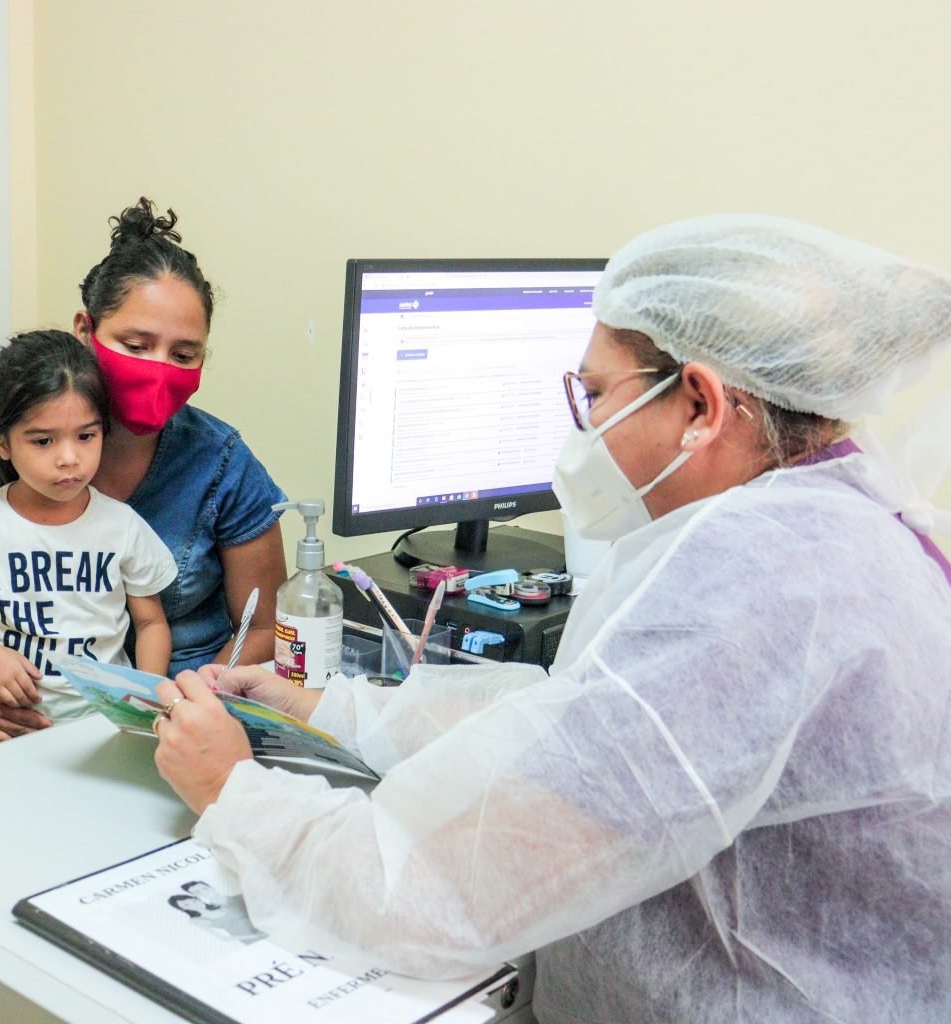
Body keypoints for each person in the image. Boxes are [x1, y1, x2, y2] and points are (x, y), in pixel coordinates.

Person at [149, 214, 951, 1022]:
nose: (582, 428)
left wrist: (230, 789)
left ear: (701, 405)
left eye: (594, 394)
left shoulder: (754, 583)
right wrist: (333, 708)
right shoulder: (822, 516)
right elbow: (583, 728)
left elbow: (430, 896)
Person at [0, 198, 288, 749]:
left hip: (176, 712)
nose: (158, 369)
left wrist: (186, 700)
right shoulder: (18, 437)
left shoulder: (221, 462)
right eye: (135, 345)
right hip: (22, 715)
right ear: (86, 329)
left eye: (184, 354)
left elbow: (264, 627)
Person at [0, 330, 177, 757]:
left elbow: (151, 624)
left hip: (103, 733)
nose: (69, 458)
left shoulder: (123, 526)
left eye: (85, 436)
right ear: (2, 443)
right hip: (6, 731)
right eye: (43, 441)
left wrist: (147, 699)